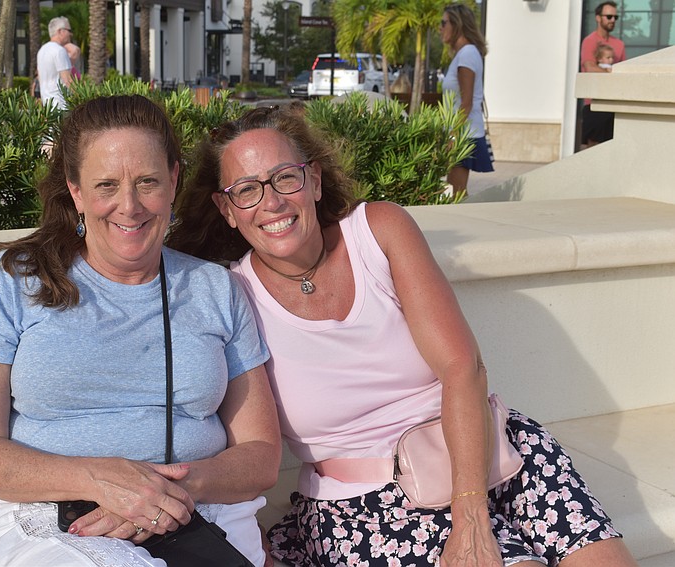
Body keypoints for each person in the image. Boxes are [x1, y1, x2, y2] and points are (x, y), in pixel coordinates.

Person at [165, 103, 639, 567]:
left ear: (314, 179)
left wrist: (470, 510)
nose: (271, 201)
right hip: (367, 509)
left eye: (285, 177)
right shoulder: (233, 295)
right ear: (226, 209)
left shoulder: (378, 231)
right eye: (246, 189)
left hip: (494, 455)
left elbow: (462, 368)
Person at [0, 95, 281, 567]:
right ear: (76, 190)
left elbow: (261, 453)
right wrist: (99, 480)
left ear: (174, 180)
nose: (129, 205)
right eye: (106, 185)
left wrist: (160, 490)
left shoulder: (215, 289)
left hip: (195, 513)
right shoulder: (15, 279)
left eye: (147, 182)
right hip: (48, 518)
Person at [440, 3, 493, 196]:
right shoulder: (464, 54)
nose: (440, 28)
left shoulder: (467, 54)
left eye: (443, 22)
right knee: (456, 191)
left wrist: (452, 137)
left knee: (457, 193)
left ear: (457, 24)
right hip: (461, 132)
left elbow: (467, 102)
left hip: (464, 134)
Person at [580, 1, 626, 148]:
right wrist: (610, 72)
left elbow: (623, 71)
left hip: (613, 105)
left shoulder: (619, 44)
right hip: (595, 103)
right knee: (592, 149)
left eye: (615, 17)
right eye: (609, 16)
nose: (612, 20)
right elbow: (589, 67)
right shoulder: (589, 41)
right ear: (598, 18)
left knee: (611, 149)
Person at [37, 17, 74, 110]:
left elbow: (39, 77)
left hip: (47, 105)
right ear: (60, 31)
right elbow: (67, 80)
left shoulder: (42, 50)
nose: (70, 34)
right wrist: (81, 99)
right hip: (61, 104)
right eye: (69, 30)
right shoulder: (59, 50)